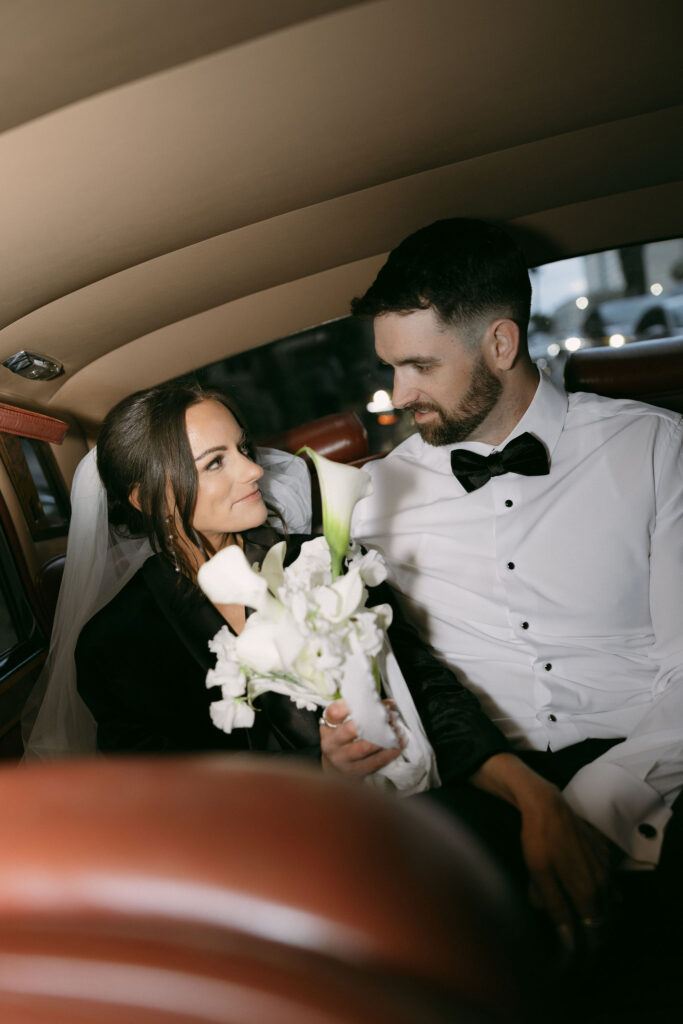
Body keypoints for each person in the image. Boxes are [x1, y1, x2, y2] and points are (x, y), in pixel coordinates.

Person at [348, 218, 683, 944]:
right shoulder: (370, 499)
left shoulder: (654, 448)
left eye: (419, 366)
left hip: (653, 763)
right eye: (390, 367)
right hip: (483, 793)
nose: (397, 394)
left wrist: (594, 804)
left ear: (500, 344)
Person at [28, 380, 513, 797]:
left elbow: (428, 689)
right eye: (215, 462)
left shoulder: (331, 561)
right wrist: (318, 771)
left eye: (242, 448)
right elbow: (168, 794)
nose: (253, 470)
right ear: (148, 496)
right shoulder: (114, 642)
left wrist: (527, 792)